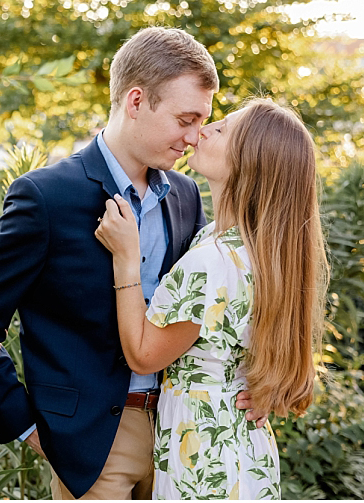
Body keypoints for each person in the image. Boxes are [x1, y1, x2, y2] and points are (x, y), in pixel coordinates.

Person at [0, 27, 264, 500]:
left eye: (202, 122)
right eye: (185, 119)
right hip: (94, 446)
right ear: (136, 101)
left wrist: (256, 377)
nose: (194, 138)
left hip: (185, 433)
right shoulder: (47, 197)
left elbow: (212, 302)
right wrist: (30, 426)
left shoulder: (186, 195)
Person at [95, 97, 329, 499]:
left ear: (248, 165)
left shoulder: (212, 261)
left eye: (221, 129)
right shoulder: (257, 249)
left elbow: (143, 355)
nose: (202, 130)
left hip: (204, 454)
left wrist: (127, 260)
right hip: (239, 446)